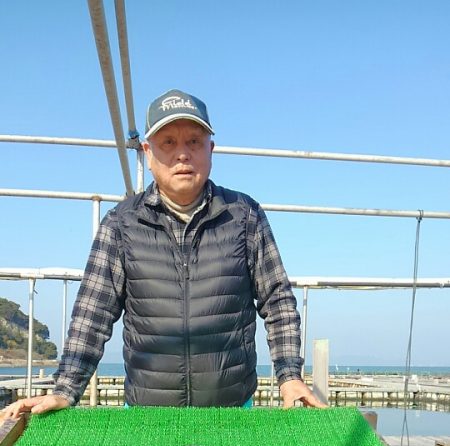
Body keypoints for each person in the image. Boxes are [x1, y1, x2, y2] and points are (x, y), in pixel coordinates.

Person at [3, 89, 326, 419]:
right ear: (147, 152)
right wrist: (65, 389)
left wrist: (290, 376)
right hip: (146, 414)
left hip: (232, 411)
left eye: (194, 142)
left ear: (210, 150)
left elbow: (277, 300)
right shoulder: (121, 224)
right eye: (168, 142)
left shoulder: (244, 216)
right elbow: (93, 313)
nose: (182, 154)